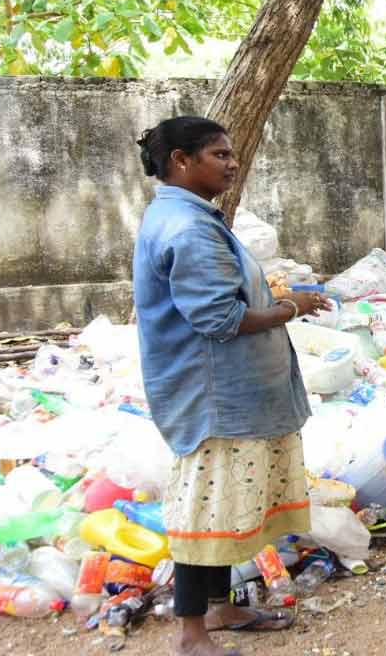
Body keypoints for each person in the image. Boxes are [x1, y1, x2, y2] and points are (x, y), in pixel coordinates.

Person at [133, 116, 330, 656]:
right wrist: (293, 307)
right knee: (209, 506)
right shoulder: (190, 228)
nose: (232, 162)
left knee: (222, 503)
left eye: (231, 154)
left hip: (223, 390)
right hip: (215, 396)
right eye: (219, 154)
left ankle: (218, 608)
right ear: (180, 161)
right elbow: (221, 319)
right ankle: (192, 634)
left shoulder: (187, 215)